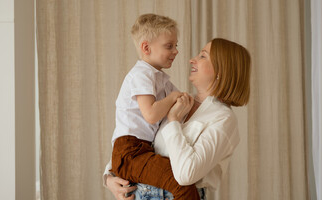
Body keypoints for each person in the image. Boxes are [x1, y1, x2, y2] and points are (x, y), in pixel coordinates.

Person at [104, 38, 251, 200]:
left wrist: (173, 121)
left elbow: (186, 175)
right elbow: (136, 135)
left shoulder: (223, 119)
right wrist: (109, 177)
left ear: (221, 70)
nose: (192, 60)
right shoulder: (176, 101)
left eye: (203, 56)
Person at [110, 13, 200, 200]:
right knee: (180, 181)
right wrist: (175, 97)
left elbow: (188, 102)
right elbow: (151, 114)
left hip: (142, 149)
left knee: (181, 177)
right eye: (169, 46)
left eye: (176, 45)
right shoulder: (141, 74)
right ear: (146, 48)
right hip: (129, 151)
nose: (176, 51)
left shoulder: (161, 79)